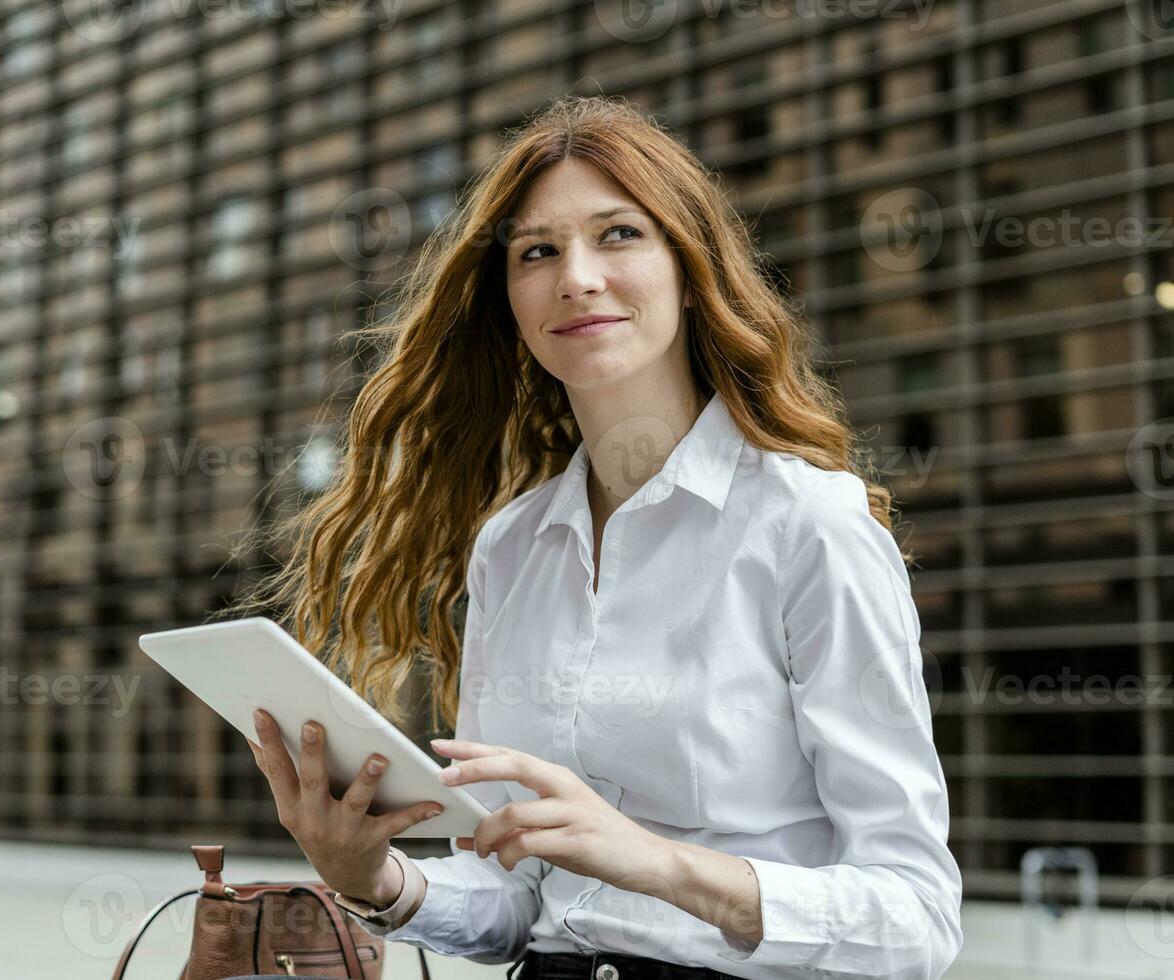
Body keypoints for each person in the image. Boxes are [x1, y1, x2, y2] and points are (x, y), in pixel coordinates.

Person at [226, 95, 962, 980]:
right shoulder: (513, 547)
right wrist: (374, 877)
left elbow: (915, 917)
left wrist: (652, 861)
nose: (576, 276)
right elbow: (513, 901)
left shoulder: (809, 526)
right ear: (510, 301)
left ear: (689, 266)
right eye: (538, 251)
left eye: (618, 235)